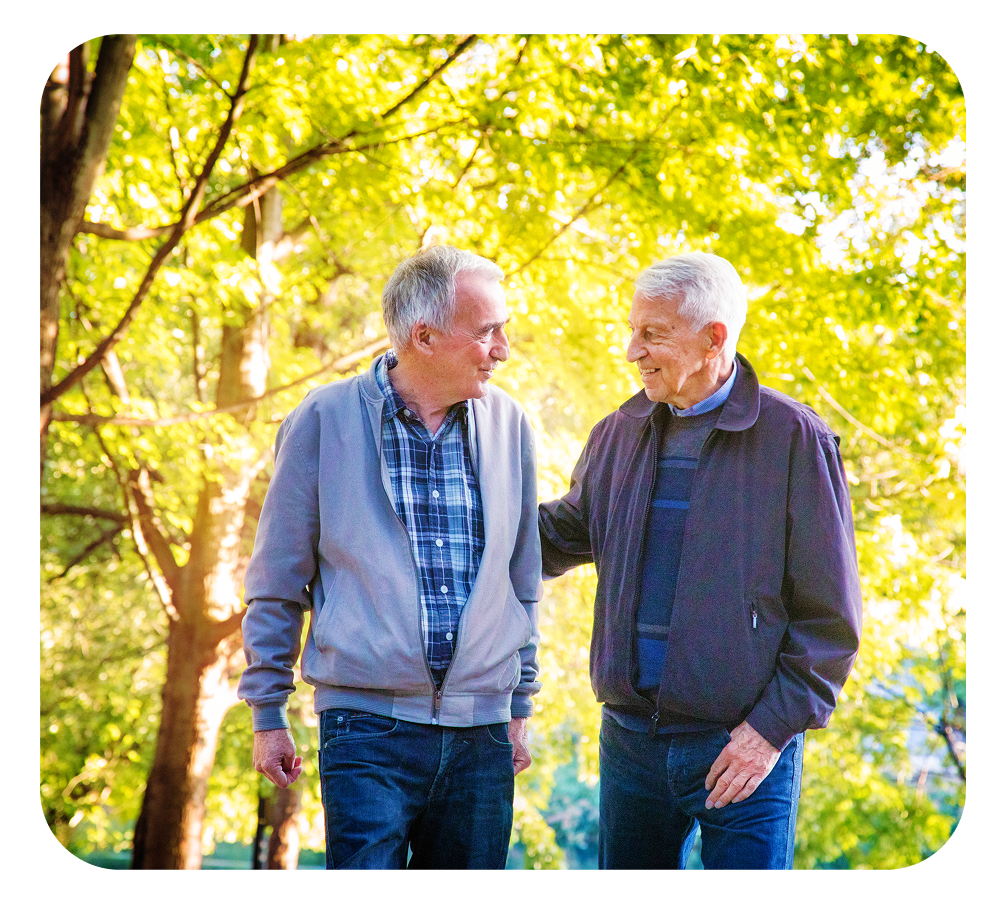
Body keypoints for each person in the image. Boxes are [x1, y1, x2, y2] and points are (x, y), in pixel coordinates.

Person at [538, 251, 862, 870]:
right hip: (630, 741)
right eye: (632, 330)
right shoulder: (617, 433)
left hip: (742, 747)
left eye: (652, 334)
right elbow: (563, 534)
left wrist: (769, 731)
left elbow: (831, 619)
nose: (632, 350)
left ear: (713, 338)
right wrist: (466, 517)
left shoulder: (795, 439)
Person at [238, 244, 542, 870]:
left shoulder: (511, 425)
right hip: (365, 729)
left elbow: (522, 578)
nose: (503, 350)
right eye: (486, 332)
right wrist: (268, 713)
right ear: (424, 337)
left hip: (482, 734)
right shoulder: (323, 420)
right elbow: (277, 580)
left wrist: (518, 706)